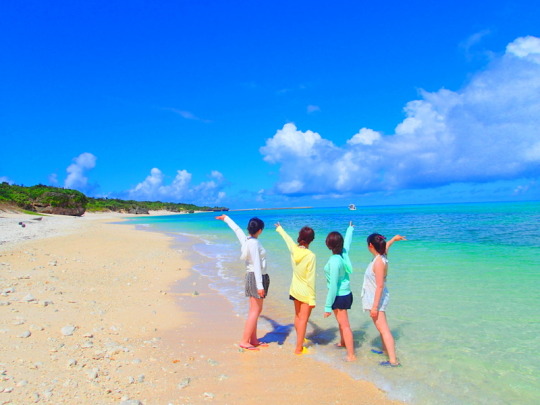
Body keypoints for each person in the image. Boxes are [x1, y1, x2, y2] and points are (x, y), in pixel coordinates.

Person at [216, 214, 269, 351]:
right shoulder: (254, 243)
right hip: (256, 278)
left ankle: (254, 339)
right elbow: (257, 264)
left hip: (250, 277)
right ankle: (245, 341)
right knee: (256, 310)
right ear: (260, 230)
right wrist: (260, 286)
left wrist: (226, 218)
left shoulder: (247, 240)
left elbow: (237, 230)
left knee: (254, 310)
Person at [362, 233, 406, 367]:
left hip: (377, 300)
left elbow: (380, 285)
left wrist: (375, 307)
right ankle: (385, 350)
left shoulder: (379, 262)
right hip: (374, 298)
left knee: (384, 329)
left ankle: (393, 361)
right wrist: (393, 239)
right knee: (381, 329)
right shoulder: (380, 256)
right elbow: (386, 247)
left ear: (370, 245)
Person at [275, 222, 316, 355]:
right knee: (303, 319)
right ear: (312, 240)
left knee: (298, 316)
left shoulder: (294, 249)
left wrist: (280, 229)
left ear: (300, 237)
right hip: (304, 292)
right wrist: (312, 299)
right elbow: (311, 279)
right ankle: (299, 348)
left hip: (294, 289)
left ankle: (300, 339)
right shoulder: (311, 256)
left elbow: (288, 239)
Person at [323, 222, 356, 361]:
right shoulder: (343, 253)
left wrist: (327, 306)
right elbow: (347, 243)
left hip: (339, 295)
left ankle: (351, 355)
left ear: (329, 245)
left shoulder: (334, 261)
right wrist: (350, 229)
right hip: (346, 293)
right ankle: (343, 343)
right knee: (341, 323)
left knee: (345, 325)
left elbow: (333, 286)